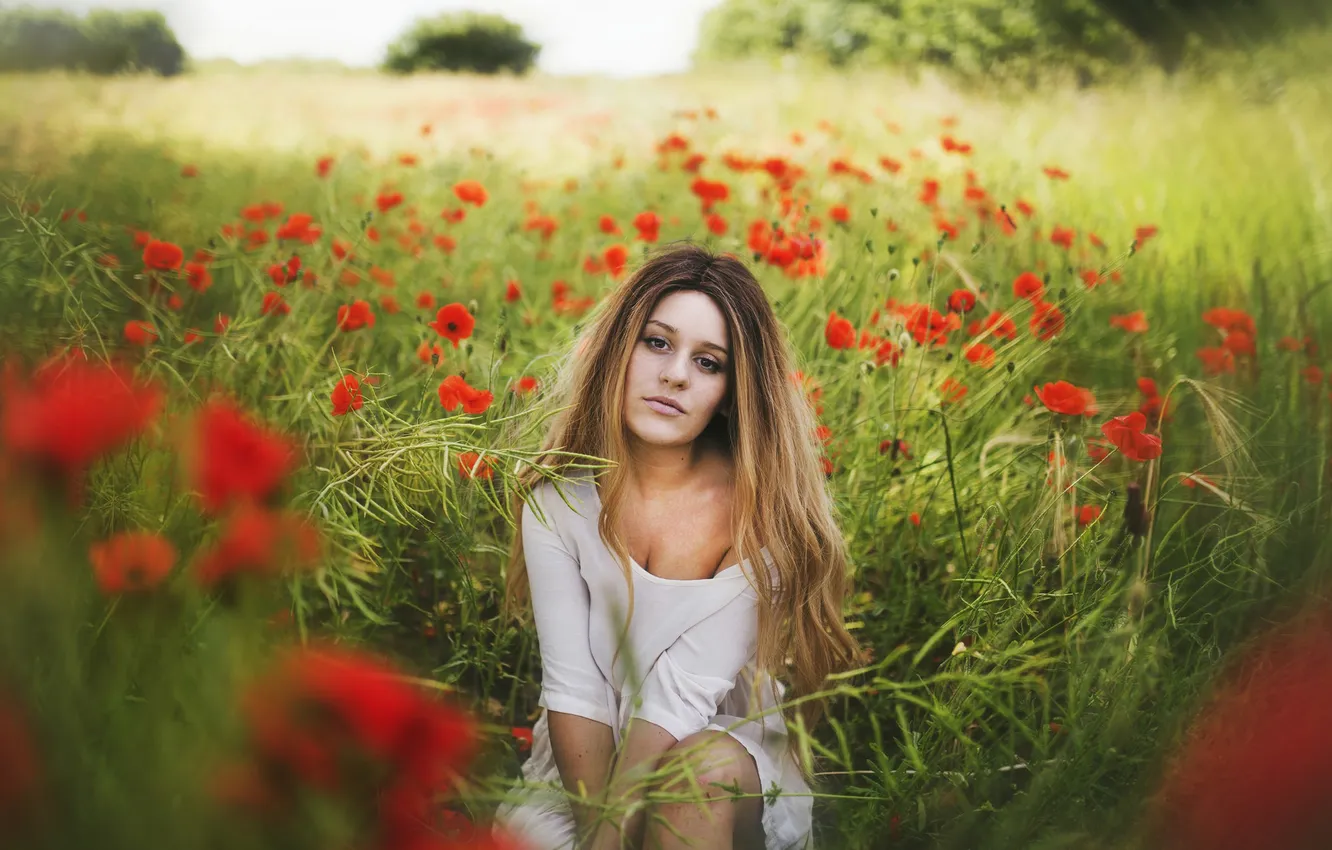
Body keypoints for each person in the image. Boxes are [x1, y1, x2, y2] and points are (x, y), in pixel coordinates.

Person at [492, 243, 864, 850]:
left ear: (734, 392)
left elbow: (680, 697)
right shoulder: (557, 502)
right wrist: (602, 833)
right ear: (619, 350)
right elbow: (575, 689)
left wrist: (616, 838)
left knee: (693, 778)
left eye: (710, 363)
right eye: (657, 342)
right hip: (587, 758)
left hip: (720, 751)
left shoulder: (759, 517)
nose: (675, 375)